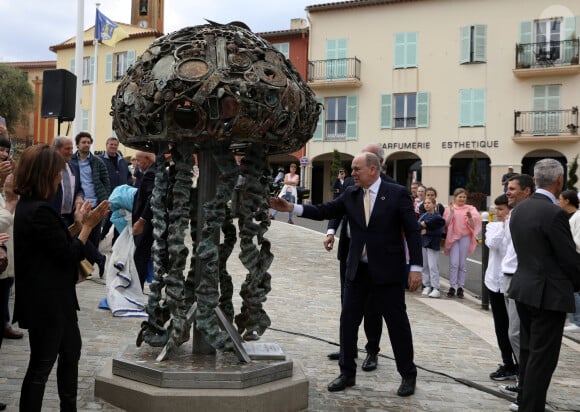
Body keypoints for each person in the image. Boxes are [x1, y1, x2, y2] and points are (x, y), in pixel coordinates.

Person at [273, 152, 422, 397]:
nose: (352, 173)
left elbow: (413, 232)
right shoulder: (351, 193)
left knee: (397, 325)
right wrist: (292, 207)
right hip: (358, 270)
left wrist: (416, 267)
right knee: (348, 322)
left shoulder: (397, 194)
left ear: (373, 169)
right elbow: (324, 210)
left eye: (356, 169)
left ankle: (408, 375)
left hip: (387, 272)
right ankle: (347, 373)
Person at [12, 144, 109, 412]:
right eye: (57, 173)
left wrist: (78, 224)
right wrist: (88, 227)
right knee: (41, 367)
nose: (59, 178)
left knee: (70, 353)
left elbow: (52, 242)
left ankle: (69, 407)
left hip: (58, 301)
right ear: (45, 175)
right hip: (47, 303)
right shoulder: (38, 210)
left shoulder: (33, 207)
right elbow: (67, 255)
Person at [509, 159, 580, 412]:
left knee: (529, 354)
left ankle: (524, 403)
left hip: (524, 288)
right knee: (542, 360)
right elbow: (569, 258)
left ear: (536, 180)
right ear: (559, 181)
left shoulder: (520, 209)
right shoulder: (555, 213)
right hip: (547, 294)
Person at [324, 143, 396, 370]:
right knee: (347, 303)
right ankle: (348, 348)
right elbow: (336, 208)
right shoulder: (350, 183)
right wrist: (330, 231)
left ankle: (372, 350)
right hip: (349, 252)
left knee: (372, 307)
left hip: (374, 259)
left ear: (377, 165)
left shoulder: (392, 188)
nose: (355, 171)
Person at [484, 194, 518, 382]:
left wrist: (509, 224)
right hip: (494, 281)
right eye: (496, 209)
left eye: (502, 209)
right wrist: (503, 225)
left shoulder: (516, 226)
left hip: (511, 282)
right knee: (500, 326)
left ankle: (519, 363)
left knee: (514, 327)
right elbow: (492, 243)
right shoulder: (493, 226)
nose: (498, 213)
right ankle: (507, 363)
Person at [70, 132, 110, 276]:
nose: (86, 144)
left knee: (93, 237)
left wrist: (104, 199)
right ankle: (99, 258)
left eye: (88, 142)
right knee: (78, 235)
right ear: (78, 144)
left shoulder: (98, 162)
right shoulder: (71, 161)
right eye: (83, 142)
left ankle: (89, 268)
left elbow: (106, 181)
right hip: (78, 205)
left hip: (95, 203)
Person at [0, 135, 22, 341]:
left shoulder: (5, 185)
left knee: (6, 282)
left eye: (7, 152)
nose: (4, 156)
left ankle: (4, 322)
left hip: (7, 249)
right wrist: (10, 205)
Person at [443, 188, 482, 298]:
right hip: (453, 238)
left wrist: (470, 217)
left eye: (464, 197)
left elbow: (474, 225)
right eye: (460, 197)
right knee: (454, 263)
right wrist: (451, 212)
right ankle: (452, 286)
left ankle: (460, 287)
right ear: (455, 198)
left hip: (465, 237)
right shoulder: (450, 209)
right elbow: (446, 224)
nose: (462, 199)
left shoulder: (471, 209)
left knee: (462, 264)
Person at [132, 151, 156, 290]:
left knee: (140, 256)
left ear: (147, 159)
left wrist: (141, 220)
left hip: (147, 224)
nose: (137, 163)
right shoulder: (152, 171)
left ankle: (137, 290)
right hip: (149, 222)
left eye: (139, 160)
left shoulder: (150, 173)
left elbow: (151, 198)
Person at [100, 137, 132, 245]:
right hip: (108, 195)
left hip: (122, 197)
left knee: (120, 219)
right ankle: (101, 237)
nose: (113, 147)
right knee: (108, 218)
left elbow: (128, 176)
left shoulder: (122, 161)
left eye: (115, 145)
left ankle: (116, 243)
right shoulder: (100, 160)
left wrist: (128, 185)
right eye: (111, 144)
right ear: (106, 145)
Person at [558, 189, 580, 333]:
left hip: (575, 257)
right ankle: (571, 319)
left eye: (560, 198)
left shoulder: (577, 216)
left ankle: (578, 321)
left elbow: (577, 239)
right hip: (569, 256)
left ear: (567, 201)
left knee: (575, 290)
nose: (558, 201)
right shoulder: (566, 216)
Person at [418, 197, 445, 298]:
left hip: (433, 243)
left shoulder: (438, 216)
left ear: (434, 205)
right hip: (423, 243)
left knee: (433, 266)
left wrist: (427, 230)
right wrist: (424, 226)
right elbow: (418, 226)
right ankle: (427, 285)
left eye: (429, 203)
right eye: (425, 203)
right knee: (424, 266)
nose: (427, 205)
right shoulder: (423, 215)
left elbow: (439, 230)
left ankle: (436, 288)